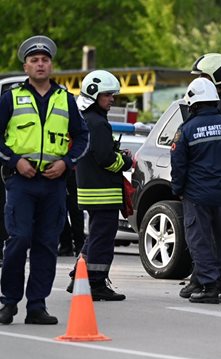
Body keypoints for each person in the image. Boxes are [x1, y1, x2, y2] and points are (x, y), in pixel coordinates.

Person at [0, 35, 89, 325]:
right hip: (21, 182)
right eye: (34, 60)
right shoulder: (11, 97)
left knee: (46, 244)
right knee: (19, 238)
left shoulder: (65, 99)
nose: (40, 64)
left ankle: (37, 305)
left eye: (45, 60)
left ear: (51, 65)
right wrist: (15, 161)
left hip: (53, 184)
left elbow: (83, 137)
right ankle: (8, 302)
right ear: (25, 67)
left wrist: (66, 162)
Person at [179, 53, 221, 301]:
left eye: (203, 76)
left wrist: (180, 186)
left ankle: (208, 284)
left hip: (203, 187)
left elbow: (190, 155)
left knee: (203, 238)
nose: (200, 80)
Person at [65, 70, 131, 301]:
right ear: (94, 95)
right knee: (102, 240)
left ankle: (80, 277)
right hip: (103, 192)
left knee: (94, 236)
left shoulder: (86, 120)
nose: (112, 99)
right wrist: (126, 160)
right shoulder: (98, 123)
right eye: (108, 95)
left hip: (91, 191)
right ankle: (96, 283)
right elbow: (105, 159)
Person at [58, 169, 85, 257]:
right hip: (59, 174)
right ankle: (66, 245)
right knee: (60, 212)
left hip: (71, 173)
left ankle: (78, 245)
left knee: (75, 212)